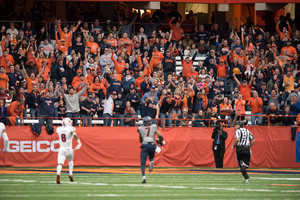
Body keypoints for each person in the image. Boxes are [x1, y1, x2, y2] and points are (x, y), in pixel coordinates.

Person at [138, 116, 165, 183]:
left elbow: (141, 140)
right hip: (152, 145)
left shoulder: (140, 128)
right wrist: (162, 141)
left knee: (143, 162)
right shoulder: (153, 126)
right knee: (151, 157)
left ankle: (143, 176)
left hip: (145, 145)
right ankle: (152, 161)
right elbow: (160, 135)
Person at [56, 118, 82, 184]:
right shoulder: (71, 128)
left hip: (61, 148)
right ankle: (70, 174)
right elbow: (75, 135)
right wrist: (79, 143)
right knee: (70, 160)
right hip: (68, 149)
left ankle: (58, 174)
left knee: (60, 164)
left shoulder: (59, 129)